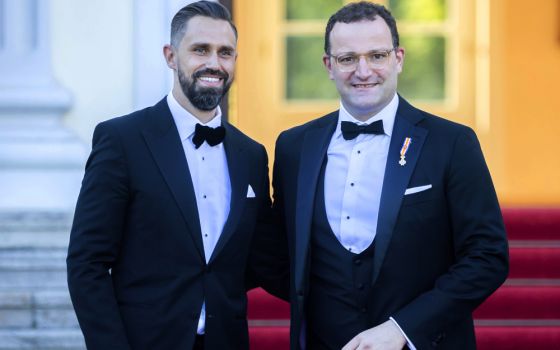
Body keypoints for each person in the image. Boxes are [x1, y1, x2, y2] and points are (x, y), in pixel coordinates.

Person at [268, 2, 509, 349]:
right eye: (347, 58)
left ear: (398, 58)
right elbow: (278, 255)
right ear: (328, 66)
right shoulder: (293, 148)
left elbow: (488, 256)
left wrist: (403, 329)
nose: (363, 71)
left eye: (376, 55)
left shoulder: (453, 143)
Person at [66, 2, 271, 349]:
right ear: (171, 56)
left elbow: (262, 260)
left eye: (225, 53)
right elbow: (87, 263)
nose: (214, 64)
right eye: (200, 50)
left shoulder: (251, 155)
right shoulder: (122, 141)